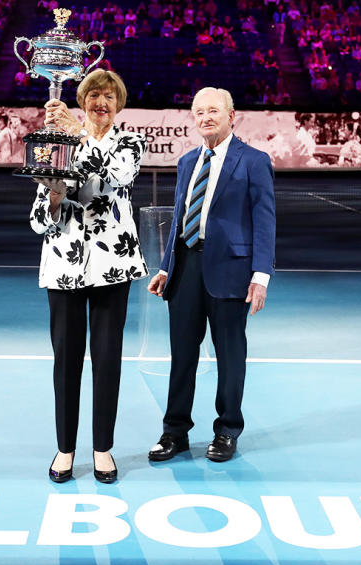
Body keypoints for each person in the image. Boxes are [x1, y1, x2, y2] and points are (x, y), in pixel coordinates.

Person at [28, 69, 147, 484]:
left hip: (112, 265)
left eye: (108, 97)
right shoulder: (58, 144)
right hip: (63, 265)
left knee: (107, 360)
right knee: (66, 362)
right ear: (81, 100)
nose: (101, 102)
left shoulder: (130, 144)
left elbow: (113, 177)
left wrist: (77, 133)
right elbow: (39, 220)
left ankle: (102, 449)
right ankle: (65, 450)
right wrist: (55, 196)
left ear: (118, 105)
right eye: (93, 94)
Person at [146, 87, 276, 463]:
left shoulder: (253, 161)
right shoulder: (187, 162)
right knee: (182, 356)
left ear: (231, 115)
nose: (206, 117)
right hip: (185, 269)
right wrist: (166, 267)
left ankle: (227, 431)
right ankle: (175, 433)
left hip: (232, 273)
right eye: (199, 111)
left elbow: (265, 222)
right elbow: (178, 221)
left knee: (230, 357)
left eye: (214, 111)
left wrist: (261, 276)